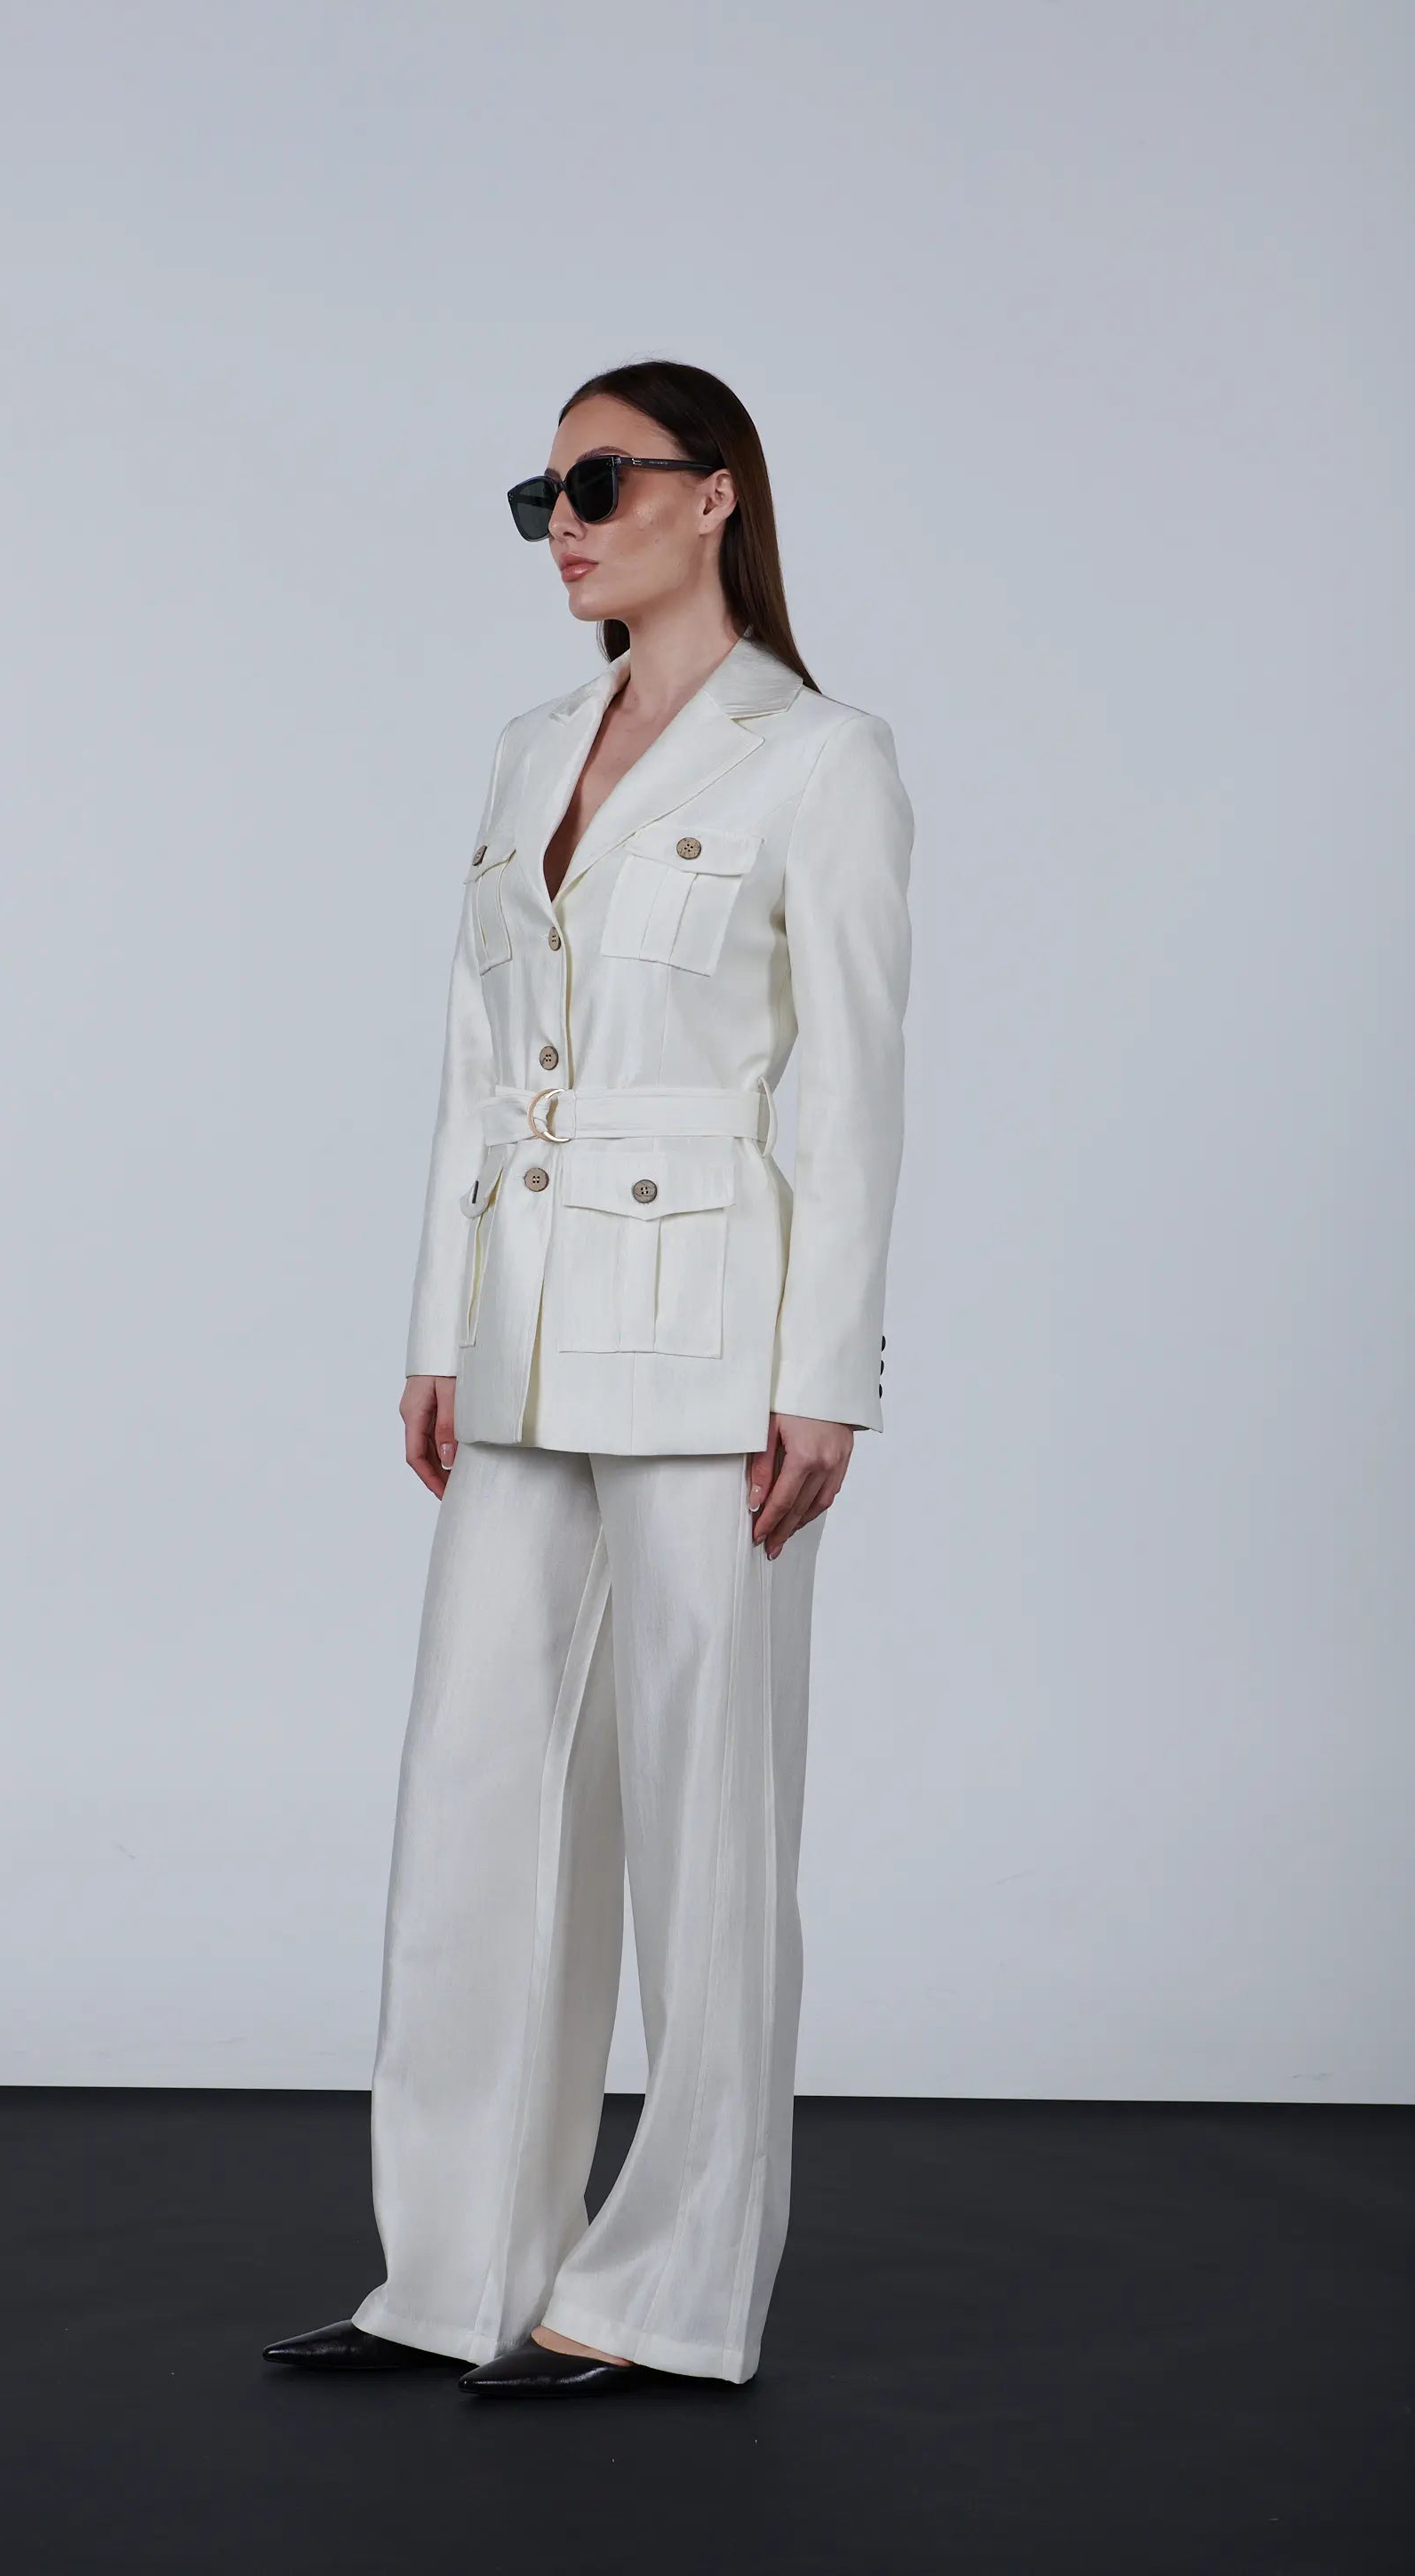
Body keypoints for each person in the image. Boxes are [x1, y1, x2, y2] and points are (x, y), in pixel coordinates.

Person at [263, 357, 915, 2397]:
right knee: (474, 1798)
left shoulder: (817, 758)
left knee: (706, 1829)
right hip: (525, 1324)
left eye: (600, 482)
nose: (561, 523)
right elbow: (473, 1068)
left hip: (713, 1339)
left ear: (713, 498)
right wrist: (432, 1331)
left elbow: (854, 1088)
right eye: (539, 494)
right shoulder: (527, 745)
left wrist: (824, 1377)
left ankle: (664, 2293)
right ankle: (453, 2274)